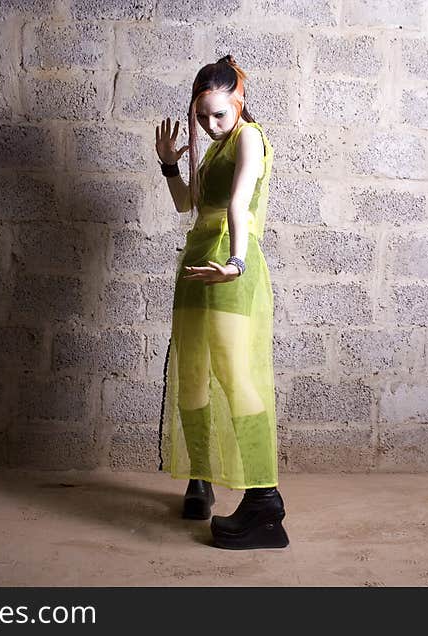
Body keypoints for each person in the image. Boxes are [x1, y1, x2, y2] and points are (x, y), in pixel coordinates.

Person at [155, 55, 289, 550]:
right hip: (196, 265)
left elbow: (237, 203)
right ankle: (200, 477)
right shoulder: (214, 149)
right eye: (202, 115)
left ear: (239, 103)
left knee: (236, 374)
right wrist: (170, 164)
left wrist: (235, 261)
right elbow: (185, 204)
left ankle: (263, 498)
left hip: (228, 266)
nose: (211, 125)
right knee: (192, 375)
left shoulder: (249, 137)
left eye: (220, 115)